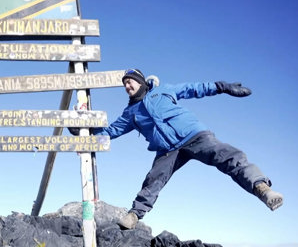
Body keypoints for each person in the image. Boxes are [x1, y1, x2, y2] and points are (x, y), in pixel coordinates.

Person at [82, 69, 284, 230]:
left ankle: (262, 189)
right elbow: (110, 131)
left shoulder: (163, 91)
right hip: (167, 150)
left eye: (130, 81)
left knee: (230, 156)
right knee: (153, 180)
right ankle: (134, 215)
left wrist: (221, 87)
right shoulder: (130, 114)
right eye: (124, 84)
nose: (127, 86)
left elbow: (193, 88)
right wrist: (83, 130)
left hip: (194, 135)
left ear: (141, 81)